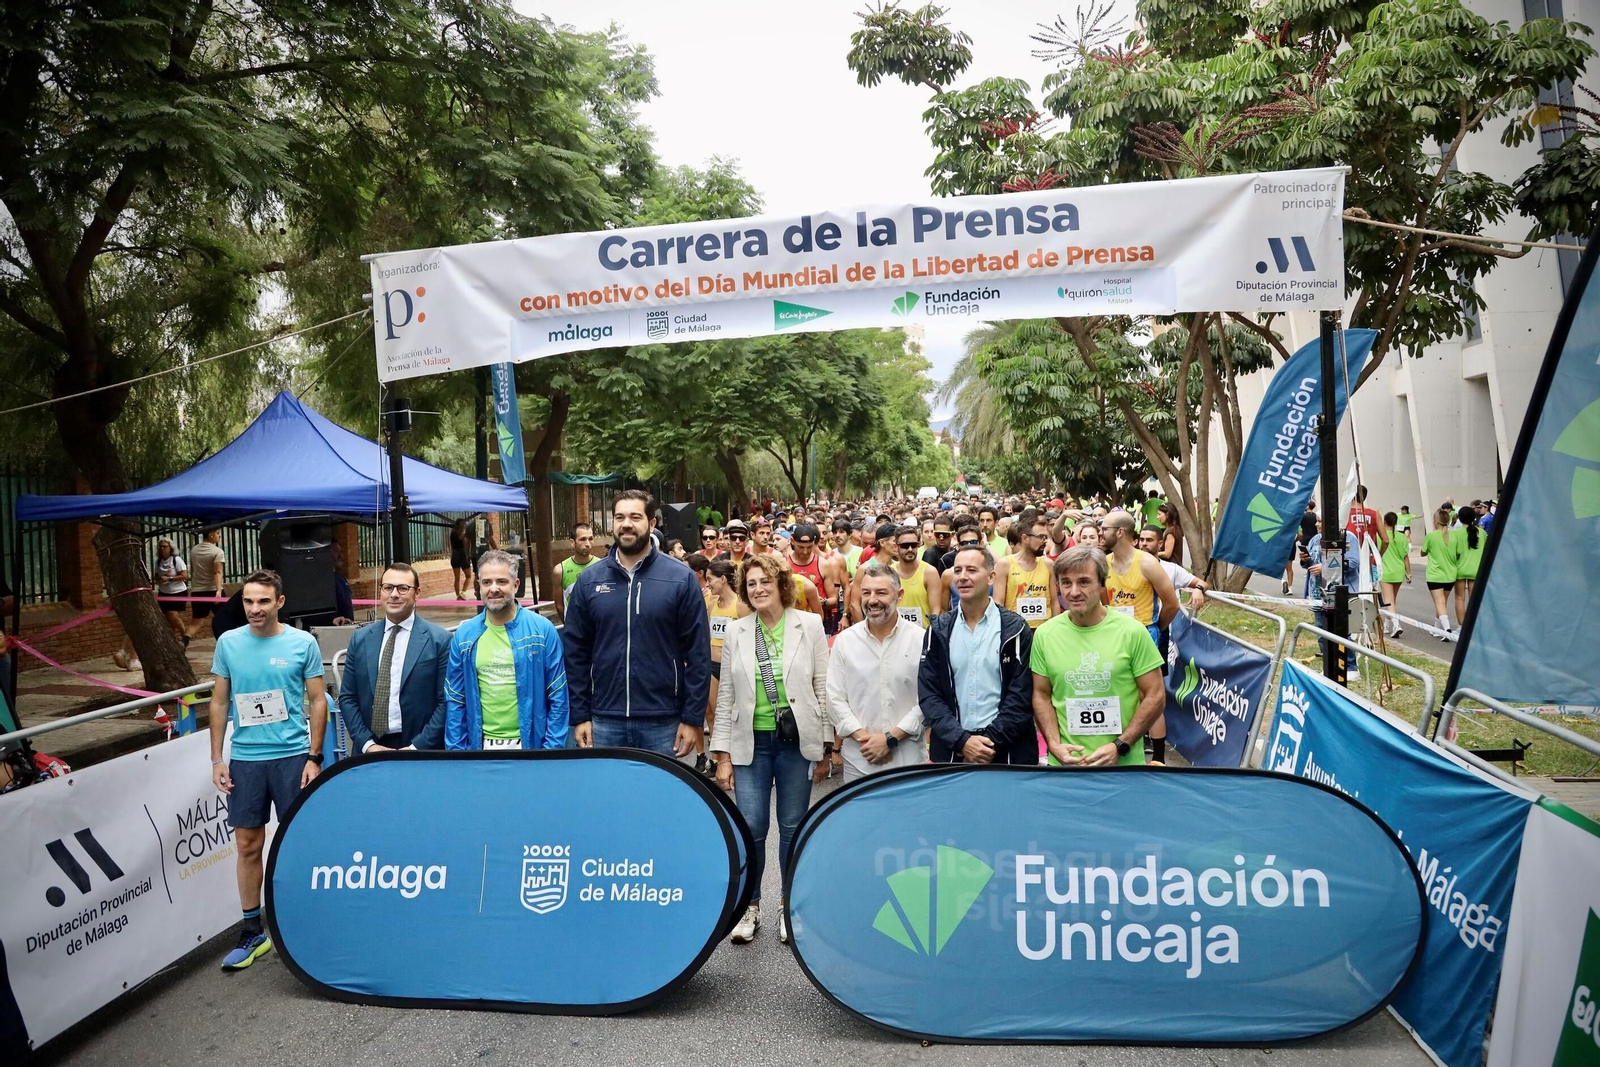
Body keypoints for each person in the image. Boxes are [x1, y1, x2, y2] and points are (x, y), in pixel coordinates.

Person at [208, 569, 326, 970]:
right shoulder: (228, 643)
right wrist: (216, 758)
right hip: (247, 760)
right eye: (248, 601)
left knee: (296, 842)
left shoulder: (302, 643)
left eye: (263, 601)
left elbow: (317, 701)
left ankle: (303, 923)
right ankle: (251, 930)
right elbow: (220, 702)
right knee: (248, 845)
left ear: (280, 602)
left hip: (292, 756)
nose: (255, 609)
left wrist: (314, 756)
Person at [711, 554, 830, 945]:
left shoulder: (809, 624)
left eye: (765, 581)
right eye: (751, 584)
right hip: (752, 743)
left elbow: (822, 685)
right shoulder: (737, 631)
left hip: (797, 742)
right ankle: (750, 906)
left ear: (781, 585)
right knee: (751, 828)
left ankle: (788, 906)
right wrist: (722, 755)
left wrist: (827, 744)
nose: (758, 589)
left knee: (793, 826)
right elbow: (726, 695)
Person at [565, 490, 709, 758]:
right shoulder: (589, 581)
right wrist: (580, 714)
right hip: (604, 719)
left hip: (663, 720)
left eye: (635, 516)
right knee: (609, 799)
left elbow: (699, 654)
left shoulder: (680, 578)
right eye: (619, 517)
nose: (626, 524)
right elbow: (576, 653)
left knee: (660, 799)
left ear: (651, 523)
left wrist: (692, 718)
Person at [1031, 547, 1166, 767]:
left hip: (1123, 766)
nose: (1074, 591)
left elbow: (1156, 695)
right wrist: (1054, 745)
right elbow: (1041, 695)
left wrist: (1121, 745)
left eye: (1084, 582)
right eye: (1066, 583)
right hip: (1067, 765)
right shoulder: (1045, 635)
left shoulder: (1132, 631)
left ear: (1102, 584)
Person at [918, 543, 1036, 766]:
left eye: (972, 570)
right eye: (958, 570)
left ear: (991, 577)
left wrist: (989, 742)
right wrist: (962, 741)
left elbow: (1021, 695)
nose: (962, 577)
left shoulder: (1015, 628)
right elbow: (929, 694)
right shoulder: (938, 630)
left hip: (1007, 751)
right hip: (954, 751)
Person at [445, 550, 567, 750]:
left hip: (532, 749)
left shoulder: (543, 630)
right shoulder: (464, 636)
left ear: (516, 585)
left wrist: (550, 751)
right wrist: (458, 752)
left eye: (501, 582)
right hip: (479, 750)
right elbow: (455, 699)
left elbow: (558, 694)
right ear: (479, 587)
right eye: (486, 582)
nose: (494, 589)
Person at [827, 562, 926, 782]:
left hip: (909, 761)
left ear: (899, 595)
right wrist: (867, 741)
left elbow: (929, 700)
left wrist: (891, 739)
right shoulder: (845, 642)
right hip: (860, 762)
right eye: (866, 593)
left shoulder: (921, 640)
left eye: (881, 592)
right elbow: (834, 699)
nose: (873, 600)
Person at [339, 563, 450, 752]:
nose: (394, 594)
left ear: (417, 593)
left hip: (420, 751)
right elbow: (348, 697)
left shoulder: (439, 640)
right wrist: (368, 745)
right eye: (388, 587)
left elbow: (445, 702)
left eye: (403, 588)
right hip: (370, 752)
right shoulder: (361, 639)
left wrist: (417, 747)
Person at [994, 515, 1057, 629]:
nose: (1045, 541)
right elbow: (998, 604)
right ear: (1025, 538)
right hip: (1016, 632)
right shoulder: (1005, 564)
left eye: (1046, 537)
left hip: (1043, 632)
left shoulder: (1048, 564)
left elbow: (1054, 602)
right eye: (1041, 537)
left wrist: (1055, 630)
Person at [1137, 526, 1209, 611]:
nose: (1144, 543)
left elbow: (1202, 583)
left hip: (1162, 621)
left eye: (1149, 540)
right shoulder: (1129, 566)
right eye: (1141, 540)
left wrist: (1198, 589)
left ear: (1160, 544)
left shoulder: (1172, 569)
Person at [889, 524, 941, 629]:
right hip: (896, 635)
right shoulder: (889, 572)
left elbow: (936, 611)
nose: (910, 549)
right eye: (905, 545)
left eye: (913, 545)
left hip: (922, 636)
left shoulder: (929, 572)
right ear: (896, 546)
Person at [1420, 507, 1458, 639]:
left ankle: (1447, 629)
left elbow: (1422, 552)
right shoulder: (1454, 536)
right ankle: (1436, 628)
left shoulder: (1431, 536)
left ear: (1435, 521)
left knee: (1439, 603)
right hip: (1450, 574)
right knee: (1442, 602)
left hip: (1435, 574)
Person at [553, 523, 597, 622]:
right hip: (574, 630)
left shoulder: (602, 566)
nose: (588, 544)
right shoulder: (560, 570)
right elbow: (559, 606)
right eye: (582, 539)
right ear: (572, 542)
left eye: (591, 539)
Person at [187, 528, 226, 641]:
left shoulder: (194, 550)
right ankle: (222, 641)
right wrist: (218, 591)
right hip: (213, 589)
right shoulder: (217, 551)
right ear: (210, 534)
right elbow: (217, 572)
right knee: (224, 617)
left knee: (196, 622)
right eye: (218, 533)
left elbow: (193, 569)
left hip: (197, 590)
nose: (220, 536)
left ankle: (185, 640)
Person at [1378, 511, 1412, 639]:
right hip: (1399, 571)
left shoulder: (1379, 535)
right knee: (1392, 600)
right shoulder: (1402, 537)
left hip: (1386, 571)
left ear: (1384, 522)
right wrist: (1409, 573)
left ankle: (1397, 625)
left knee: (1388, 600)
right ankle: (1387, 625)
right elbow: (1406, 557)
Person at [1450, 504, 1485, 626]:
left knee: (1460, 598)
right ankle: (1474, 625)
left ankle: (1462, 626)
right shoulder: (1481, 533)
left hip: (1459, 569)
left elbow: (1452, 552)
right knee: (1474, 599)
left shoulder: (1455, 534)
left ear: (1459, 518)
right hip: (1476, 569)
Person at [154, 538, 189, 644]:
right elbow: (157, 576)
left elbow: (184, 576)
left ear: (170, 548)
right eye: (160, 547)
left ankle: (185, 635)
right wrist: (158, 580)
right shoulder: (158, 562)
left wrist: (169, 578)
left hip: (178, 591)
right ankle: (172, 641)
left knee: (172, 614)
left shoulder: (176, 560)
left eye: (165, 546)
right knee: (167, 618)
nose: (162, 549)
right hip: (164, 592)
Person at [1346, 485, 1388, 557]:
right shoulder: (1375, 514)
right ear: (1364, 498)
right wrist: (1378, 556)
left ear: (1351, 496)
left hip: (1350, 560)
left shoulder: (1345, 514)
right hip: (1369, 560)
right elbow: (1386, 541)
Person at [449, 518, 475, 601]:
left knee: (467, 576)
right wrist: (464, 530)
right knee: (459, 577)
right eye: (463, 524)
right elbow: (461, 538)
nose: (464, 525)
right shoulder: (455, 533)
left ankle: (461, 593)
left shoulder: (454, 532)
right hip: (459, 555)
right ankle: (459, 594)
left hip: (458, 555)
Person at [1154, 502, 1184, 567]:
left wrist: (1152, 554)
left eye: (1159, 514)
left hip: (1172, 567)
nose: (1157, 517)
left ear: (1167, 515)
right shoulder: (1172, 529)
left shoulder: (1171, 531)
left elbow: (1167, 554)